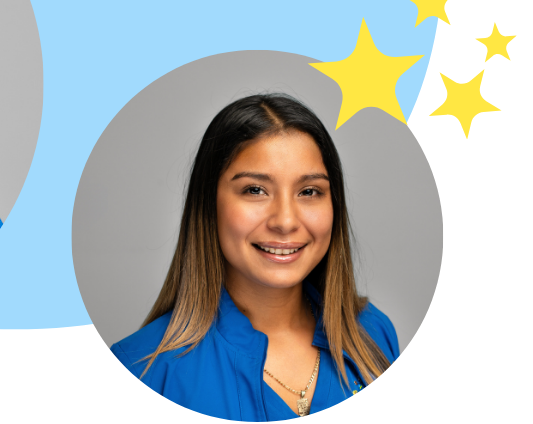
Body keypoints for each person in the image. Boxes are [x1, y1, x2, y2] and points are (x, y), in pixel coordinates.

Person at [111, 94, 396, 418]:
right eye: (255, 190)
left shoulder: (373, 333)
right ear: (208, 204)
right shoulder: (144, 367)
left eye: (309, 191)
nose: (286, 221)